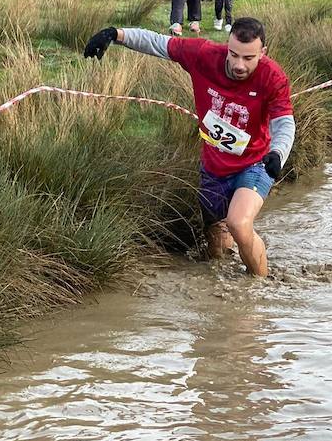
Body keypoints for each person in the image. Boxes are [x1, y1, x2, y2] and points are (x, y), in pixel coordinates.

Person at [83, 17, 294, 276]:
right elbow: (159, 43)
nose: (239, 65)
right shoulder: (203, 55)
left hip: (255, 163)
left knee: (239, 224)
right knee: (217, 248)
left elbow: (284, 123)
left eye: (249, 58)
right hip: (214, 167)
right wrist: (114, 34)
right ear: (227, 47)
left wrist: (278, 153)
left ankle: (259, 291)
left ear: (263, 52)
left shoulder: (272, 76)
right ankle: (223, 293)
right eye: (234, 55)